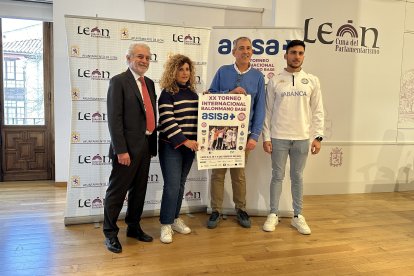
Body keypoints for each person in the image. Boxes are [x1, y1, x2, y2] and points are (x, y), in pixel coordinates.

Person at [262, 40, 324, 235]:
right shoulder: (275, 80)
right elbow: (267, 112)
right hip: (278, 136)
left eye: (300, 53)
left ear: (303, 56)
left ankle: (298, 216)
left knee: (297, 177)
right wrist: (266, 137)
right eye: (293, 53)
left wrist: (318, 136)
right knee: (277, 176)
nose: (296, 56)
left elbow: (318, 110)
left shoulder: (312, 80)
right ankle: (273, 214)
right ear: (285, 55)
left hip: (302, 138)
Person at [103, 43, 157, 253]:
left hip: (145, 144)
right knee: (117, 192)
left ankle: (133, 227)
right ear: (128, 58)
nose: (144, 61)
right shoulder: (119, 81)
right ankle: (110, 233)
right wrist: (121, 150)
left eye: (147, 57)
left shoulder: (149, 83)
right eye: (140, 56)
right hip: (126, 149)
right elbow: (114, 119)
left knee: (139, 191)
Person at [207, 36, 265, 229]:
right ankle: (216, 210)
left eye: (249, 48)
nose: (245, 51)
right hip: (220, 133)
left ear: (252, 52)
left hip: (243, 135)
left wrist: (255, 136)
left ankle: (241, 209)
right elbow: (210, 96)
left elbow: (261, 109)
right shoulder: (223, 72)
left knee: (238, 175)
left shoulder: (258, 76)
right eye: (241, 48)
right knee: (217, 174)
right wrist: (229, 93)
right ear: (233, 52)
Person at [157, 54, 199, 244]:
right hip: (171, 146)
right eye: (180, 69)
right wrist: (185, 141)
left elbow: (201, 120)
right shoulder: (167, 93)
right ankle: (165, 224)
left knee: (181, 185)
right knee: (172, 186)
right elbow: (167, 120)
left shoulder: (193, 94)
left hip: (189, 148)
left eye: (187, 69)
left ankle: (174, 219)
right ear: (173, 71)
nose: (184, 73)